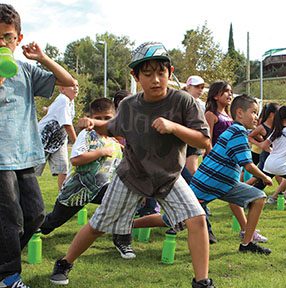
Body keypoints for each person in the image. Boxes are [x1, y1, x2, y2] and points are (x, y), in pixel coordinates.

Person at [49, 42, 215, 288]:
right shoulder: (129, 105)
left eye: (161, 73)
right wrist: (94, 123)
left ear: (170, 72)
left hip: (168, 176)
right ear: (135, 76)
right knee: (98, 225)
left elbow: (204, 140)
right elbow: (113, 127)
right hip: (132, 176)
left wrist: (174, 127)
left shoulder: (183, 102)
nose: (156, 80)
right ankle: (64, 263)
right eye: (147, 74)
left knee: (197, 219)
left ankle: (202, 282)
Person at [0, 4, 76, 288]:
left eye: (8, 37)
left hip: (25, 155)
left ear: (18, 39)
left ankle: (3, 262)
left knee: (35, 216)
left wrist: (42, 57)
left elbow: (68, 81)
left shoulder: (27, 70)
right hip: (0, 158)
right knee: (11, 221)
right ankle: (9, 277)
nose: (2, 43)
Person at [39, 98, 137, 259]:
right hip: (77, 190)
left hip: (102, 189)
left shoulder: (113, 139)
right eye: (98, 118)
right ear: (91, 118)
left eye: (108, 118)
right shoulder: (86, 134)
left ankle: (122, 240)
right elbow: (76, 159)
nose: (103, 122)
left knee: (125, 203)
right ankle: (29, 230)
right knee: (53, 221)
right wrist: (101, 152)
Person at [191, 94, 273, 254]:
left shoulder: (236, 130)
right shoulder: (238, 132)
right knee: (170, 220)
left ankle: (247, 243)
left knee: (258, 197)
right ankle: (130, 226)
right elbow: (248, 165)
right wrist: (265, 177)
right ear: (240, 113)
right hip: (208, 184)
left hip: (224, 185)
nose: (256, 117)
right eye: (254, 112)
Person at [35, 84, 79, 190]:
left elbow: (54, 107)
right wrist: (77, 144)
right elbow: (67, 125)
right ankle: (22, 197)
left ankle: (62, 199)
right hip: (43, 139)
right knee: (31, 172)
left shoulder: (69, 101)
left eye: (77, 85)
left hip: (58, 141)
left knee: (63, 170)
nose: (76, 88)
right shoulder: (63, 100)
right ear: (62, 89)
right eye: (72, 85)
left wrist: (47, 109)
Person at [184, 75, 206, 176]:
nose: (200, 90)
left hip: (194, 140)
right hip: (180, 139)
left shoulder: (202, 105)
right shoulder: (180, 100)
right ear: (188, 86)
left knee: (192, 171)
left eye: (202, 87)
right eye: (197, 87)